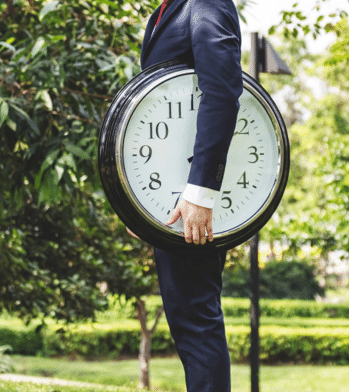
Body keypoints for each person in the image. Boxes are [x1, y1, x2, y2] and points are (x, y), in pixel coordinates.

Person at [132, 0, 243, 391]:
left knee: (196, 321)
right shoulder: (169, 9)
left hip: (192, 198)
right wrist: (138, 207)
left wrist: (201, 191)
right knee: (189, 319)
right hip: (171, 198)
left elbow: (222, 92)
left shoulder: (204, 3)